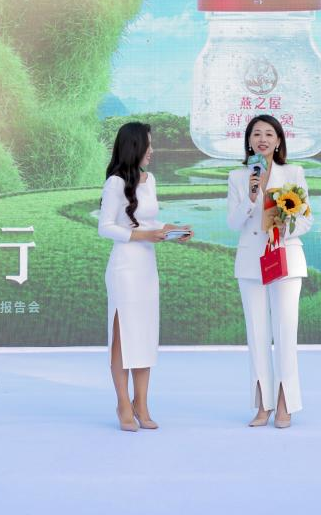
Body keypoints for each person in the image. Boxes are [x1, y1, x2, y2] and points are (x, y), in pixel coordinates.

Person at [98, 122, 191, 432]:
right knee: (123, 336)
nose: (152, 150)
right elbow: (105, 227)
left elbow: (149, 221)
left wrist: (170, 230)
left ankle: (142, 403)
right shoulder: (115, 183)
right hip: (124, 268)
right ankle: (123, 404)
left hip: (147, 267)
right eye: (148, 145)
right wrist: (144, 235)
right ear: (134, 146)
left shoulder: (150, 180)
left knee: (146, 334)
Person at [226, 114, 312, 429]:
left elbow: (306, 219)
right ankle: (262, 405)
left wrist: (283, 229)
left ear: (278, 141)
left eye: (269, 134)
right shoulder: (238, 177)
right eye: (256, 134)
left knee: (286, 332)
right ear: (249, 141)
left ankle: (285, 402)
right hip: (251, 262)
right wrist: (252, 197)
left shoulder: (294, 173)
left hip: (285, 258)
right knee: (257, 334)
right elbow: (233, 223)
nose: (262, 139)